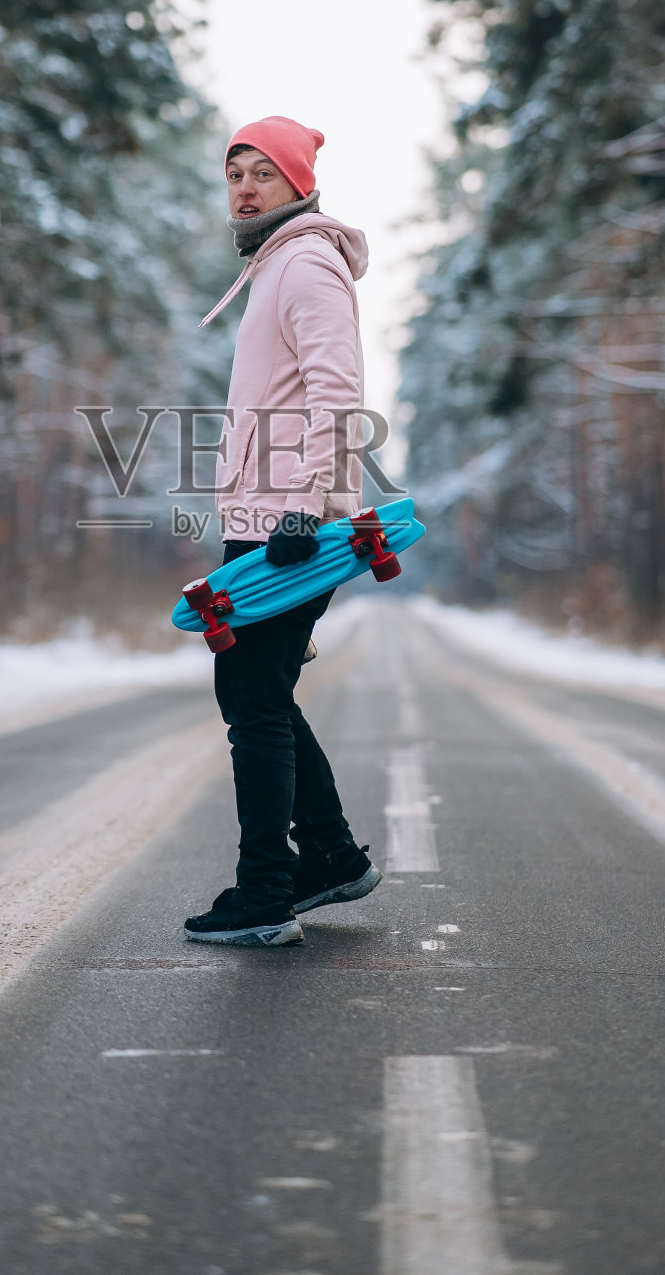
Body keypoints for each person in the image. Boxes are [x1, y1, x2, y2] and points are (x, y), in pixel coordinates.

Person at [184, 115, 382, 946]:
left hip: (287, 521)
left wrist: (302, 506)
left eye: (263, 173)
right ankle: (329, 857)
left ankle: (266, 890)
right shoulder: (278, 263)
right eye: (235, 172)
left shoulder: (303, 261)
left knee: (252, 700)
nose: (245, 187)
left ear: (298, 183)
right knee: (259, 693)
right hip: (265, 515)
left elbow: (336, 389)